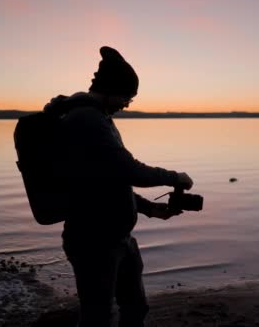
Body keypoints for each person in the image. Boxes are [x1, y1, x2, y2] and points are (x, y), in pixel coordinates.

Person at [45, 46, 194, 327]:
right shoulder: (86, 120)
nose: (127, 103)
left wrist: (151, 209)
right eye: (128, 97)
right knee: (97, 318)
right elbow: (128, 169)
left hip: (118, 238)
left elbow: (111, 180)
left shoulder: (99, 118)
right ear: (112, 89)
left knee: (135, 309)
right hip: (93, 241)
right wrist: (174, 177)